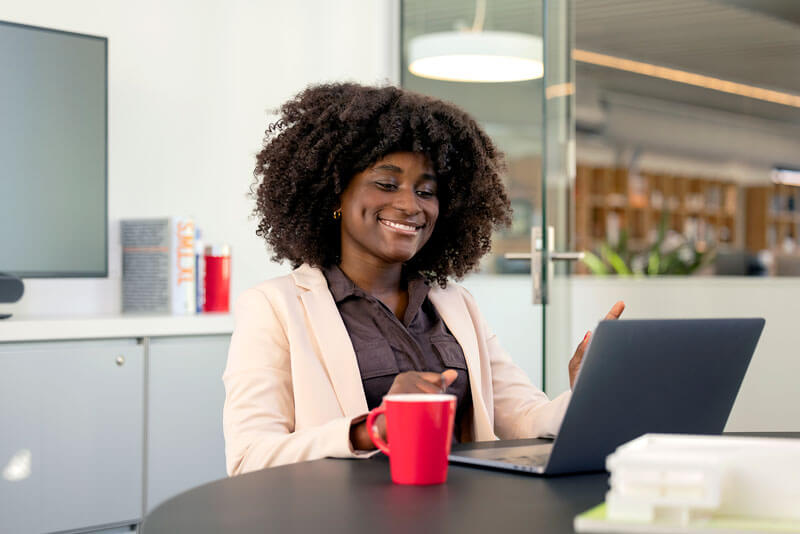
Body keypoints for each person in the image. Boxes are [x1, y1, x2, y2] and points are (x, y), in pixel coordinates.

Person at [223, 82, 624, 476]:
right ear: (335, 195)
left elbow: (523, 415)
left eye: (426, 191)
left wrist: (588, 391)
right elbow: (249, 457)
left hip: (460, 507)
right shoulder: (274, 307)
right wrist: (374, 428)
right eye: (386, 184)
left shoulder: (455, 304)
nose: (409, 205)